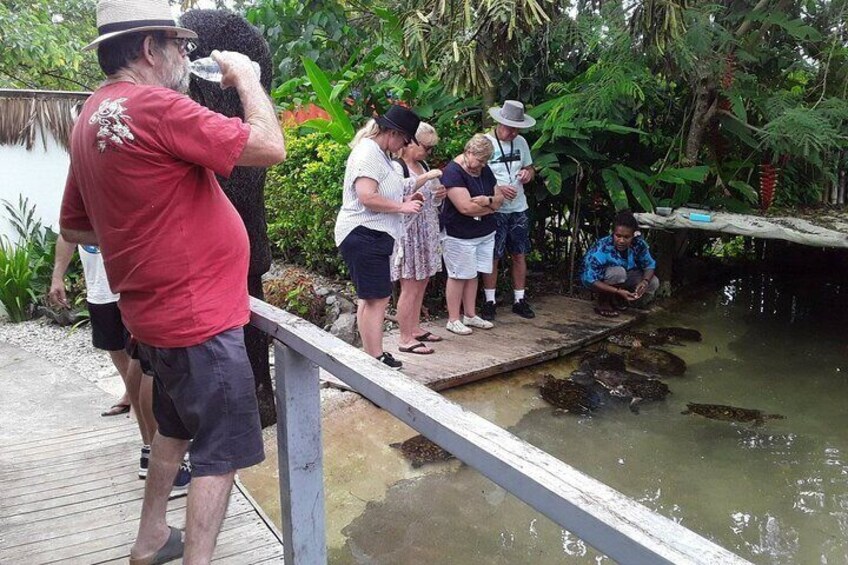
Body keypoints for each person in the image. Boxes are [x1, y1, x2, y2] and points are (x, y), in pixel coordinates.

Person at [59, 1, 286, 563]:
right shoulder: (157, 106)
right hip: (199, 316)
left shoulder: (92, 115)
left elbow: (77, 222)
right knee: (222, 449)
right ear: (147, 48)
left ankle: (152, 537)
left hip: (153, 313)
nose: (187, 55)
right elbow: (268, 147)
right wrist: (249, 81)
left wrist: (147, 220)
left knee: (174, 427)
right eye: (179, 45)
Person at [49, 236, 190, 493]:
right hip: (128, 288)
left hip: (127, 286)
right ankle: (168, 463)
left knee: (140, 359)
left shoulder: (88, 194)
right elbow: (68, 231)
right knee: (147, 365)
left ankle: (152, 452)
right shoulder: (105, 194)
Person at [335, 105, 431, 369]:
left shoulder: (379, 154)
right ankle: (376, 357)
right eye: (404, 139)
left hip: (372, 234)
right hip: (365, 233)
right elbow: (367, 196)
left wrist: (405, 199)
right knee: (377, 298)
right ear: (392, 133)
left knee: (370, 298)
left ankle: (371, 356)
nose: (403, 146)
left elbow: (381, 192)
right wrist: (402, 207)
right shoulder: (368, 152)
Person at [440, 134, 506, 335]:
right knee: (459, 274)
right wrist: (493, 208)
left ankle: (470, 314)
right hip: (459, 234)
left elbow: (500, 198)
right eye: (479, 160)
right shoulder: (453, 172)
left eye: (485, 162)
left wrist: (487, 201)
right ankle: (453, 318)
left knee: (473, 273)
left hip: (484, 232)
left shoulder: (484, 170)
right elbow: (466, 208)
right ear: (468, 152)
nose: (481, 165)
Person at [390, 122, 446, 355]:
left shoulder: (422, 165)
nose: (428, 153)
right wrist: (427, 179)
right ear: (410, 142)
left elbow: (431, 197)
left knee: (422, 282)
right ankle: (404, 337)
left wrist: (439, 194)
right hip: (408, 234)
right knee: (410, 285)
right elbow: (396, 192)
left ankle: (414, 328)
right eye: (426, 147)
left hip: (427, 230)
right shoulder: (397, 166)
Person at [480, 100, 538, 321]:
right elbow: (474, 172)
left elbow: (530, 167)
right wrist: (497, 187)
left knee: (519, 253)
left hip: (518, 207)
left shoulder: (521, 142)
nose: (513, 132)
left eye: (517, 129)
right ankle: (489, 301)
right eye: (510, 128)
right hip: (495, 208)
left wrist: (527, 174)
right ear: (499, 123)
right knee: (493, 255)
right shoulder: (485, 143)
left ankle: (519, 299)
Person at [581, 210, 659, 317]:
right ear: (613, 233)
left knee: (653, 282)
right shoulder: (602, 247)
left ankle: (623, 300)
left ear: (633, 235)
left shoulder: (639, 244)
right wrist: (617, 291)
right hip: (599, 280)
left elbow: (649, 265)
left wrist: (644, 282)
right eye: (618, 236)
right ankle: (603, 302)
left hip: (625, 277)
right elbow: (590, 279)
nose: (621, 241)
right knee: (618, 272)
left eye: (626, 237)